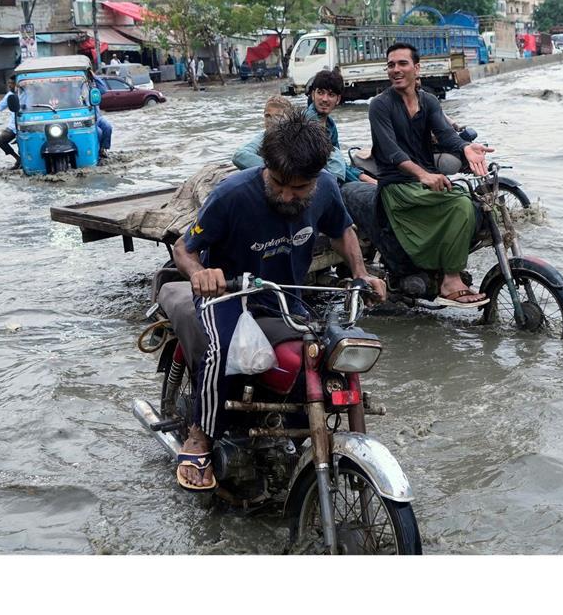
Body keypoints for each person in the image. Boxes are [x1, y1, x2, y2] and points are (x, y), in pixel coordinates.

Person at [171, 110, 386, 491]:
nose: (287, 195)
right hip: (229, 295)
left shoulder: (327, 190)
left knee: (324, 354)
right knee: (218, 351)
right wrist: (199, 273)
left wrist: (361, 272)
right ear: (266, 166)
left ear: (317, 178)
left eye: (299, 188)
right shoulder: (232, 195)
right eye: (279, 183)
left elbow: (342, 231)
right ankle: (200, 435)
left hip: (287, 297)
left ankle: (293, 434)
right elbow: (183, 248)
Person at [369, 42, 493, 307]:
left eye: (402, 63)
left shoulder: (429, 101)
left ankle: (444, 268)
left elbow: (447, 136)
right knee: (460, 204)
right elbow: (391, 152)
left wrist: (465, 148)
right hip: (397, 187)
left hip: (422, 183)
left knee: (469, 199)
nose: (396, 70)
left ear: (417, 68)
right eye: (391, 65)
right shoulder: (379, 105)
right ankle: (450, 279)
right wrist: (424, 175)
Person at [304, 69, 376, 184]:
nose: (325, 99)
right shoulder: (307, 122)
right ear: (313, 95)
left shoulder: (330, 124)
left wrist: (364, 177)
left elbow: (338, 163)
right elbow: (331, 166)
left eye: (331, 94)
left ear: (338, 99)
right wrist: (366, 180)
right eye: (320, 92)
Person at [87, 68, 113, 159]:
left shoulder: (92, 88)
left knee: (108, 127)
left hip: (97, 117)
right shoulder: (77, 91)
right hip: (88, 119)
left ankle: (103, 149)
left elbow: (103, 89)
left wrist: (94, 76)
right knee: (99, 132)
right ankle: (96, 152)